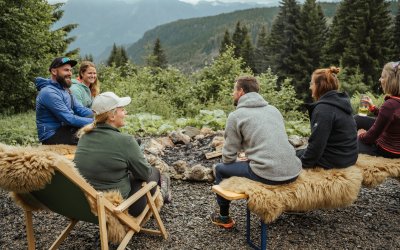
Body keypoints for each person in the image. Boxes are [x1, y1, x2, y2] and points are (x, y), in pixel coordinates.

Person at [211, 76, 301, 229]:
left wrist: (241, 159)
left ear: (240, 91)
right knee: (245, 164)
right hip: (293, 170)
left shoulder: (236, 116)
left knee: (219, 169)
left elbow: (227, 157)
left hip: (268, 173)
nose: (233, 94)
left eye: (234, 90)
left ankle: (223, 218)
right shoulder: (273, 110)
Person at [74, 92, 170, 216]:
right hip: (119, 207)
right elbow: (145, 174)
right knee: (154, 172)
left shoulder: (84, 136)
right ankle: (162, 195)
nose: (126, 113)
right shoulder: (126, 141)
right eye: (122, 110)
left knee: (128, 169)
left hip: (88, 205)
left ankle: (163, 194)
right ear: (112, 116)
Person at [296, 67, 358, 168]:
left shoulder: (323, 109)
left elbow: (317, 145)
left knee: (290, 157)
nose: (310, 87)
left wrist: (302, 165)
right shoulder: (340, 102)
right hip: (349, 157)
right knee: (298, 152)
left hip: (334, 161)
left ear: (319, 86)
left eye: (312, 83)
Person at [35, 57, 94, 145]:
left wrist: (100, 114)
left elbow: (79, 109)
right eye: (66, 70)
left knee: (98, 131)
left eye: (70, 70)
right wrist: (96, 122)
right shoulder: (49, 92)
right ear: (54, 71)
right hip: (52, 134)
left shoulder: (65, 89)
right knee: (94, 137)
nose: (70, 73)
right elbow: (68, 118)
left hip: (64, 128)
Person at [354, 61, 400, 158]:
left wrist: (360, 135)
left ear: (391, 81)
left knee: (349, 143)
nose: (380, 79)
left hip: (388, 150)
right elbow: (392, 118)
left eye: (383, 77)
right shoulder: (395, 102)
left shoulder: (390, 105)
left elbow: (371, 137)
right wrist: (374, 108)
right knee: (358, 118)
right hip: (396, 146)